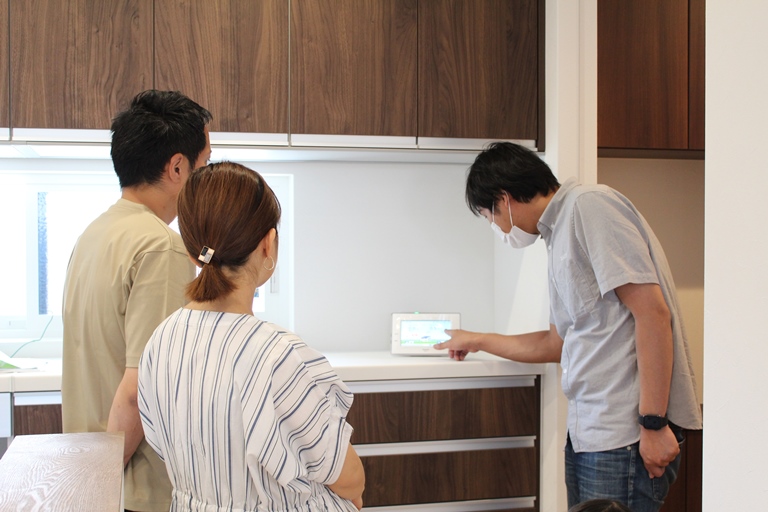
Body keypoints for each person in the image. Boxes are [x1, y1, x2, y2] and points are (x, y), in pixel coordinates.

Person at [433, 142, 702, 512]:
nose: (495, 227)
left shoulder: (589, 207)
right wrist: (477, 340)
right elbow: (556, 342)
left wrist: (653, 424)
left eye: (488, 216)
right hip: (590, 434)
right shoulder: (558, 234)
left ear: (504, 199)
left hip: (623, 435)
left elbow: (652, 314)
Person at [137, 161, 365, 512]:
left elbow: (160, 443)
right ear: (267, 244)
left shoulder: (161, 341)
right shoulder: (278, 354)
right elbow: (347, 477)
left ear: (191, 250)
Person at [61, 90, 212, 512]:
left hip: (91, 467)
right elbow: (139, 389)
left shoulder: (93, 235)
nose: (206, 176)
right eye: (204, 164)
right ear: (177, 167)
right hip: (133, 486)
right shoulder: (160, 246)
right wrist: (103, 480)